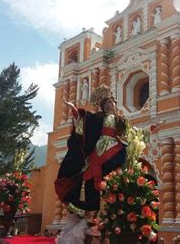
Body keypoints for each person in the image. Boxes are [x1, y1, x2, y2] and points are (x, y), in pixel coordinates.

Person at [55, 86, 158, 244]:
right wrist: (75, 111)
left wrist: (149, 129)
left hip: (114, 150)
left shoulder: (120, 121)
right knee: (88, 177)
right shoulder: (97, 118)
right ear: (103, 105)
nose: (112, 104)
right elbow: (84, 122)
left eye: (113, 102)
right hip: (98, 149)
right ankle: (90, 214)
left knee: (111, 178)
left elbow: (133, 133)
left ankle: (106, 214)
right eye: (109, 102)